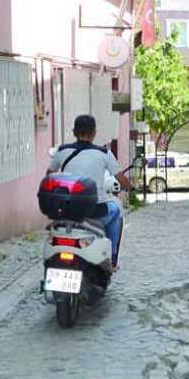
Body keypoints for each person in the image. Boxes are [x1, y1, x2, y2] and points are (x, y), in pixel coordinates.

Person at [47, 115, 134, 268]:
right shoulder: (104, 153)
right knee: (116, 211)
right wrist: (130, 187)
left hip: (67, 211)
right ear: (94, 133)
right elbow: (120, 179)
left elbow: (49, 174)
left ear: (74, 132)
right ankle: (111, 257)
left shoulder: (62, 151)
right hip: (96, 211)